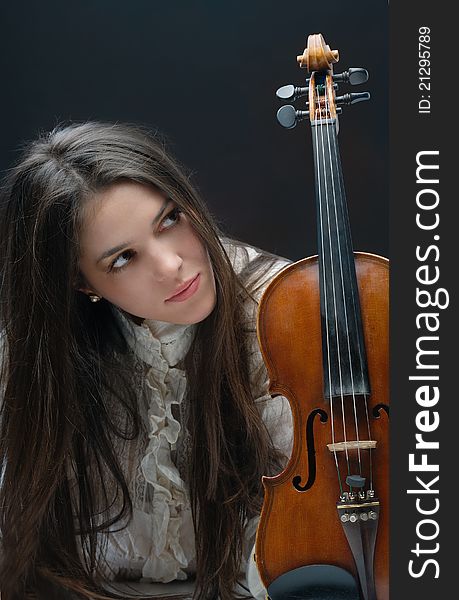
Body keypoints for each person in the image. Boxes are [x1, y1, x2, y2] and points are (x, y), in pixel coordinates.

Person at [0, 121, 293, 600]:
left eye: (170, 219)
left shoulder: (281, 315)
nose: (170, 266)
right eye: (123, 259)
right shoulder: (36, 354)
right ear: (82, 284)